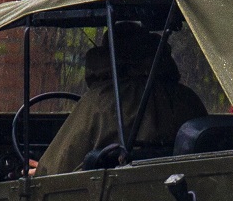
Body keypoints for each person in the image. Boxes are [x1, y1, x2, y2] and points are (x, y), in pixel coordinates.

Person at [35, 25, 206, 176]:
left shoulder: (99, 101)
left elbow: (55, 169)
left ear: (107, 55)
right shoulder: (187, 98)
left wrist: (39, 171)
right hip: (183, 196)